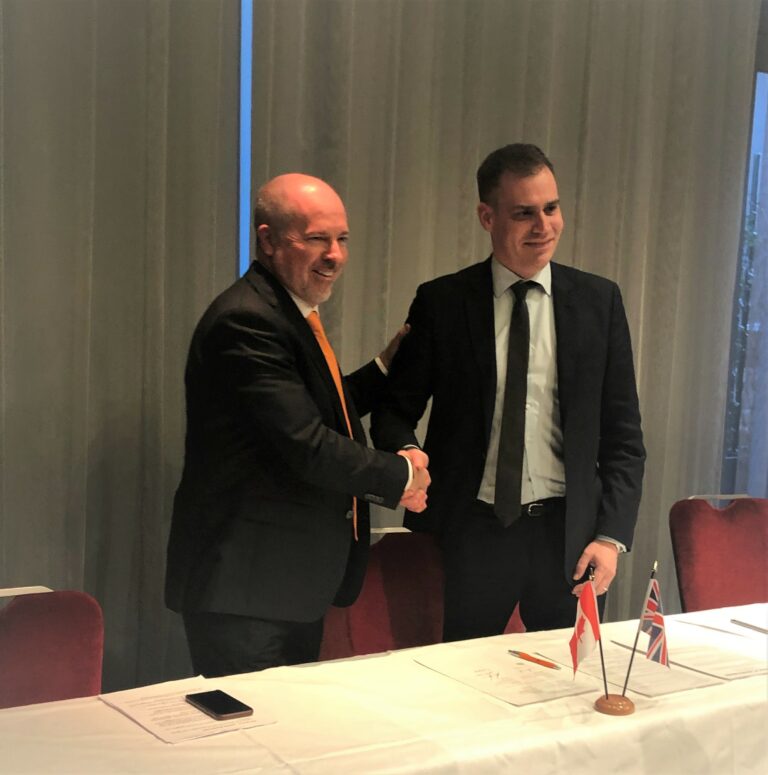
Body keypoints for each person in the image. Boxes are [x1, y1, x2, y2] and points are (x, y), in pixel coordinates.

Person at [371, 144, 644, 641]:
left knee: (568, 679)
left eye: (551, 208)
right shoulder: (443, 303)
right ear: (487, 217)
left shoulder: (599, 302)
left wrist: (611, 537)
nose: (544, 226)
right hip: (469, 534)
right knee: (460, 678)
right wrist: (408, 454)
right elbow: (393, 411)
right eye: (524, 213)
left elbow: (624, 437)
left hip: (568, 538)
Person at [165, 173, 430, 676]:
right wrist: (401, 476)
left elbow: (312, 411)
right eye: (316, 239)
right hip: (245, 594)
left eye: (342, 239)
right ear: (268, 240)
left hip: (283, 586)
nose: (335, 255)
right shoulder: (247, 321)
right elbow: (306, 443)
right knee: (253, 727)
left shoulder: (285, 313)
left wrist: (382, 369)